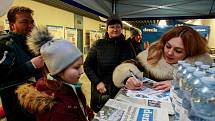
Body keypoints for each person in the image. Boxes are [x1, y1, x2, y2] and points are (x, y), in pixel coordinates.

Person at [15, 27, 94, 121]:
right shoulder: (58, 109)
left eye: (81, 66)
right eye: (76, 67)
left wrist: (89, 114)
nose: (82, 71)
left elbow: (81, 106)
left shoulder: (69, 87)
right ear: (58, 70)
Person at [113, 26, 213, 91]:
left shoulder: (202, 66)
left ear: (190, 53)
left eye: (178, 51)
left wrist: (178, 84)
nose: (169, 53)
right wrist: (128, 78)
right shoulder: (152, 54)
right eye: (168, 46)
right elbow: (131, 65)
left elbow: (207, 89)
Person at [84, 15, 135, 112]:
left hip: (122, 89)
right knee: (104, 114)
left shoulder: (127, 45)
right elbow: (87, 65)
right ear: (107, 29)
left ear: (121, 29)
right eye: (112, 27)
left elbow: (133, 65)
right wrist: (97, 82)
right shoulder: (98, 44)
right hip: (103, 90)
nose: (115, 29)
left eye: (118, 27)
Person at [0, 6, 44, 121]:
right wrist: (31, 65)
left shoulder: (32, 43)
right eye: (24, 22)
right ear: (12, 25)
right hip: (17, 106)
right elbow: (2, 76)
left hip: (37, 101)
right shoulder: (5, 44)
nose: (30, 26)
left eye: (31, 22)